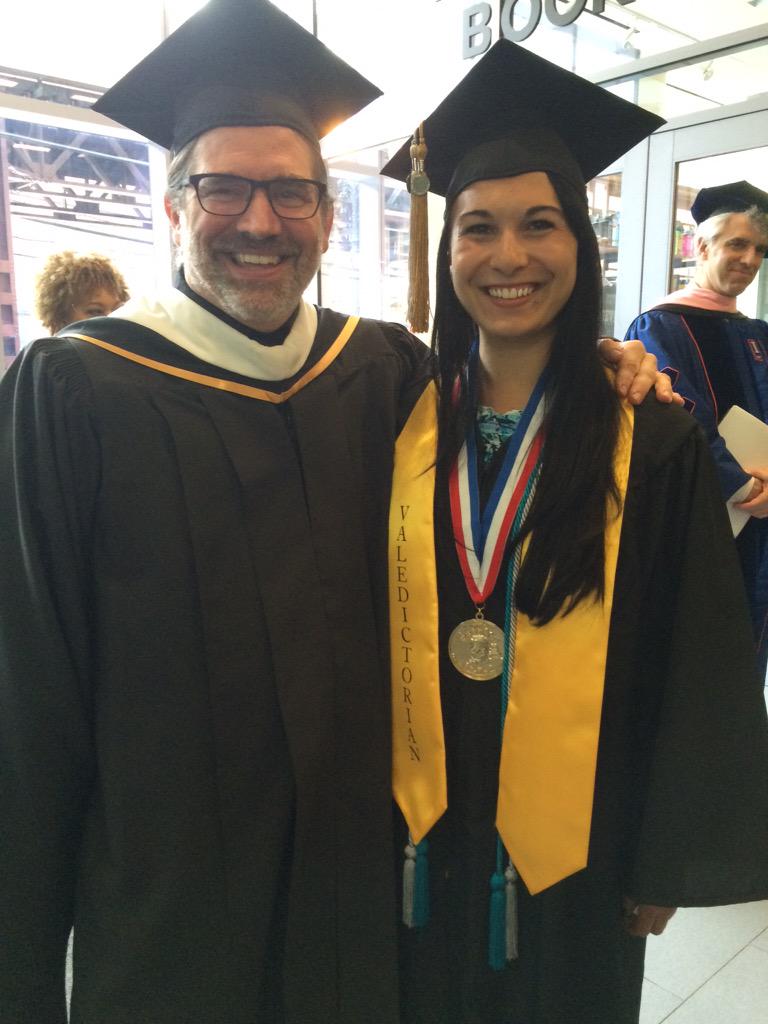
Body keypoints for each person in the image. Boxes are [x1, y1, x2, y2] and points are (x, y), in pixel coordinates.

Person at [0, 3, 669, 1022]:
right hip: (171, 896)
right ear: (174, 203)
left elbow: (508, 429)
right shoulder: (73, 391)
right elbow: (28, 700)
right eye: (224, 186)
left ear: (325, 207)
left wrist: (605, 366)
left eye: (293, 191)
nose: (260, 221)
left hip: (366, 883)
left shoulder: (384, 371)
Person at [381, 41, 768, 1024]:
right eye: (477, 228)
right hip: (412, 833)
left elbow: (701, 659)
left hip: (583, 843)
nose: (508, 256)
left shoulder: (654, 435)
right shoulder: (396, 416)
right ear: (447, 250)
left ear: (580, 245)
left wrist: (667, 851)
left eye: (539, 224)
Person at [625, 182, 768, 675]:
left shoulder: (757, 333)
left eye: (759, 250)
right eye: (737, 244)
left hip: (761, 524)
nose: (749, 259)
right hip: (702, 518)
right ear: (703, 247)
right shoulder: (660, 327)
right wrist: (744, 483)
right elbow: (675, 417)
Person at [34, 250, 129, 335]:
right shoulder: (44, 353)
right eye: (95, 312)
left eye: (117, 310)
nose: (112, 320)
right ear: (59, 319)